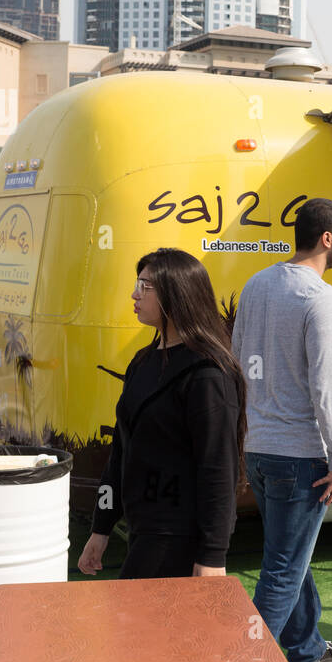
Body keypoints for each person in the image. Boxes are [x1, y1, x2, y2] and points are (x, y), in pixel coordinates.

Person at [231, 198, 332, 662]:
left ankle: (306, 653)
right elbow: (327, 386)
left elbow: (239, 363)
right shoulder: (321, 298)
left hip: (259, 449)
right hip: (301, 456)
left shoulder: (257, 283)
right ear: (326, 239)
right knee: (282, 570)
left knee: (287, 557)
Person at [79, 248, 245, 580]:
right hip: (142, 527)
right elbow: (121, 452)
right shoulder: (142, 361)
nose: (134, 294)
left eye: (145, 286)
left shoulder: (208, 373)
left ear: (176, 293)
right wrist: (101, 527)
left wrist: (213, 555)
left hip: (179, 536)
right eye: (137, 284)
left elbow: (218, 469)